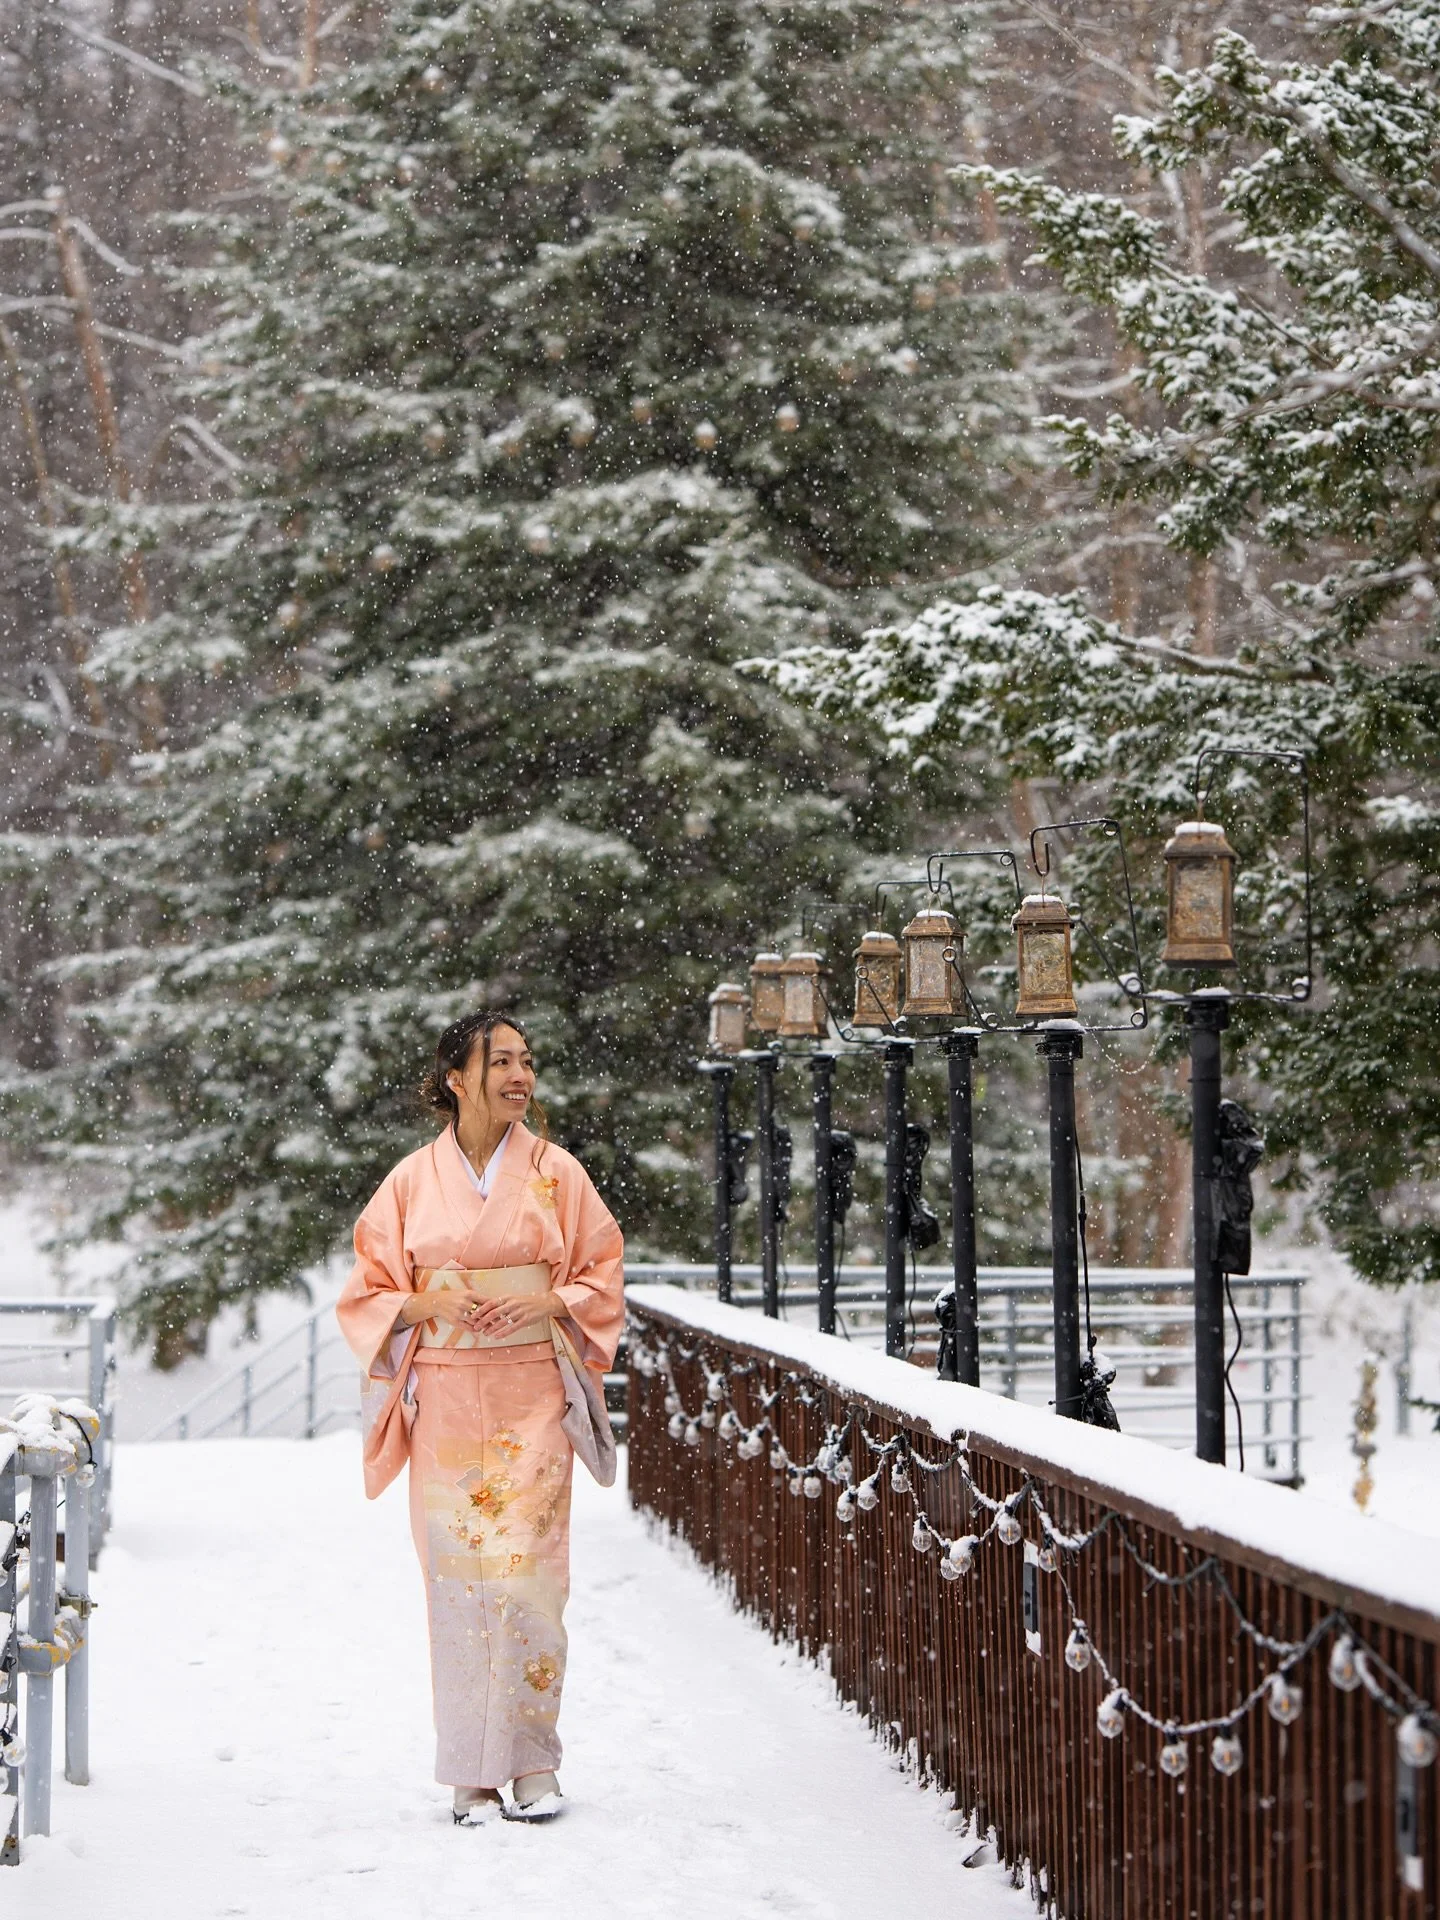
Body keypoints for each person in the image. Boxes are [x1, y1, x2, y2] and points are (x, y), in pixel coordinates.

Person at [337, 1012, 624, 1825]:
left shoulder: (556, 1172)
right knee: (458, 1580)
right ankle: (471, 1769)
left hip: (531, 1393)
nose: (519, 1076)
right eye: (500, 1062)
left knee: (531, 1578)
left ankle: (532, 1761)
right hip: (447, 1398)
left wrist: (548, 1301)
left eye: (526, 1061)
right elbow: (366, 1292)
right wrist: (427, 1302)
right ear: (456, 1078)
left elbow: (603, 1272)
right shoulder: (409, 1180)